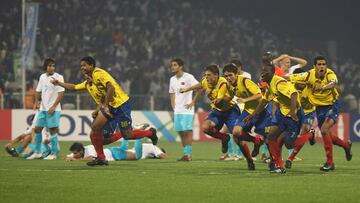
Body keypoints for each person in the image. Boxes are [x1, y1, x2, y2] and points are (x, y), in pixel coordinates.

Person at [51, 56, 158, 166]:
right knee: (95, 130)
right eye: (81, 66)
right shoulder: (88, 84)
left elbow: (111, 88)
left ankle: (150, 133)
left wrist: (105, 106)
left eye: (84, 65)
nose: (82, 68)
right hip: (110, 107)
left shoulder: (98, 74)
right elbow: (73, 87)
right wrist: (59, 83)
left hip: (121, 105)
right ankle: (101, 158)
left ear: (91, 66)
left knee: (127, 135)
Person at [288, 56, 352, 171]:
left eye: (323, 64)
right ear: (315, 66)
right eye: (319, 64)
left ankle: (330, 162)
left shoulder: (330, 74)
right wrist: (273, 78)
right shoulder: (308, 75)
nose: (322, 66)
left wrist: (322, 87)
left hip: (332, 105)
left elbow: (333, 83)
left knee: (323, 130)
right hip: (319, 108)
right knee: (329, 136)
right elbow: (289, 77)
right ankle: (346, 146)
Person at [243, 61, 305, 174]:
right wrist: (252, 115)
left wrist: (292, 112)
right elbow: (263, 102)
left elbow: (294, 94)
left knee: (289, 144)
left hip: (293, 114)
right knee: (271, 136)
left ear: (272, 73)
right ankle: (280, 166)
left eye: (265, 71)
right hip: (282, 113)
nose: (262, 73)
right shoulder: (269, 85)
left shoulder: (279, 82)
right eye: (262, 71)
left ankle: (309, 134)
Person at [223, 63, 273, 170]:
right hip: (248, 111)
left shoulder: (245, 81)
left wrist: (245, 100)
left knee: (268, 139)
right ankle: (250, 158)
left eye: (230, 75)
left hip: (262, 110)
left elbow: (260, 95)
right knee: (236, 133)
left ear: (236, 74)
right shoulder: (229, 85)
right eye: (226, 76)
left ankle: (273, 161)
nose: (228, 78)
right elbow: (229, 96)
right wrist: (218, 100)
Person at [180, 64, 235, 155]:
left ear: (216, 75)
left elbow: (219, 99)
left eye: (208, 75)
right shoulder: (205, 81)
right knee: (205, 128)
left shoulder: (223, 82)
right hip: (218, 110)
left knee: (237, 134)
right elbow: (200, 85)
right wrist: (186, 89)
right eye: (205, 75)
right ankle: (224, 138)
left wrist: (210, 94)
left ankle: (255, 144)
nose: (206, 77)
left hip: (230, 110)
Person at [27, 58, 64, 160]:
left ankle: (54, 154)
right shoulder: (42, 77)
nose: (51, 67)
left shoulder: (59, 77)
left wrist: (53, 106)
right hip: (43, 109)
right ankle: (38, 152)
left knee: (53, 130)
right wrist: (37, 102)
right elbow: (38, 91)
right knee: (38, 129)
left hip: (53, 109)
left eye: (53, 66)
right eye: (49, 66)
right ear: (45, 67)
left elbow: (61, 94)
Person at [284, 68, 316, 169]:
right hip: (296, 113)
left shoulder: (310, 85)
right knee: (289, 144)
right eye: (300, 81)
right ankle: (311, 134)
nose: (302, 83)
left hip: (308, 112)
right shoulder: (289, 86)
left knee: (304, 130)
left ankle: (290, 158)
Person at [169, 58, 200, 161]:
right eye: (172, 65)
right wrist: (173, 104)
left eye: (175, 65)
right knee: (180, 132)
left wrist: (193, 102)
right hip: (177, 109)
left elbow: (199, 87)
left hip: (187, 109)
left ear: (180, 66)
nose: (172, 67)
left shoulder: (188, 77)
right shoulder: (172, 79)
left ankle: (188, 155)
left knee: (187, 131)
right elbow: (172, 92)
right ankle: (185, 153)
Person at [65, 139, 166, 161]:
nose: (74, 155)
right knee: (136, 156)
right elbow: (67, 157)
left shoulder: (89, 148)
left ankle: (137, 136)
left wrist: (74, 159)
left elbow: (91, 158)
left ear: (81, 151)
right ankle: (135, 135)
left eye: (75, 153)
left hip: (114, 153)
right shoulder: (153, 147)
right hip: (114, 153)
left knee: (136, 157)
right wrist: (71, 158)